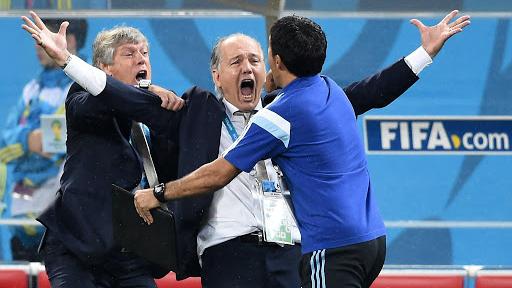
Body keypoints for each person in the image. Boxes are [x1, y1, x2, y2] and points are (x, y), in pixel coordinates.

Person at [23, 10, 469, 288]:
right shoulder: (194, 111)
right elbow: (123, 98)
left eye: (256, 59)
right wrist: (68, 62)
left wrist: (423, 55)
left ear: (272, 67)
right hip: (226, 255)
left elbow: (365, 94)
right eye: (236, 62)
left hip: (288, 252)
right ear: (217, 76)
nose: (248, 68)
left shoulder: (292, 110)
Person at [21, 12, 183, 288]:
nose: (142, 59)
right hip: (77, 247)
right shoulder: (82, 98)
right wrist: (144, 91)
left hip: (132, 253)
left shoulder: (155, 114)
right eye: (129, 54)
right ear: (104, 68)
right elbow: (107, 100)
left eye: (145, 53)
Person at [0, 18, 87, 262]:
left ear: (68, 40)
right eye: (37, 41)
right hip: (24, 214)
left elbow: (60, 143)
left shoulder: (83, 84)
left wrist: (34, 141)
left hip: (63, 215)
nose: (37, 47)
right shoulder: (32, 88)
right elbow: (5, 143)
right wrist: (29, 140)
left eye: (42, 40)